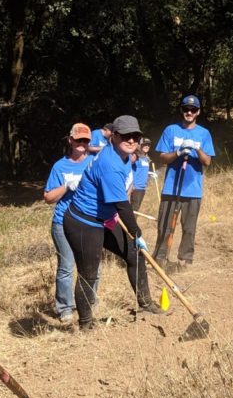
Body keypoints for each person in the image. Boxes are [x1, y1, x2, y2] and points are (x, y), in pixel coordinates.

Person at [63, 115, 163, 330]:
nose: (131, 140)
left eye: (135, 136)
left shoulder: (125, 157)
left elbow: (121, 197)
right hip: (84, 222)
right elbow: (122, 206)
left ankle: (145, 303)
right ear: (114, 136)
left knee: (134, 254)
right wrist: (137, 233)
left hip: (104, 219)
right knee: (89, 272)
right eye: (126, 136)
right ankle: (86, 324)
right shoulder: (110, 164)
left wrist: (134, 237)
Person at [153, 94, 215, 267]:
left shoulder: (204, 133)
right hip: (171, 187)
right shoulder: (170, 130)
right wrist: (178, 152)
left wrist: (197, 148)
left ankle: (185, 259)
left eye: (193, 109)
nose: (189, 112)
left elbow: (207, 162)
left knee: (189, 228)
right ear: (181, 110)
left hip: (193, 188)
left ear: (198, 112)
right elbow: (162, 158)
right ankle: (160, 257)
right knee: (165, 225)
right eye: (186, 109)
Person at [42, 123, 96, 323]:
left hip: (89, 220)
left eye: (86, 140)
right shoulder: (60, 166)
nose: (82, 143)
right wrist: (66, 186)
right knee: (66, 266)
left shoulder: (94, 163)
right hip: (63, 221)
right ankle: (65, 307)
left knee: (92, 266)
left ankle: (89, 301)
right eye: (79, 139)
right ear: (70, 140)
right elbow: (48, 197)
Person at [130, 137, 152, 211]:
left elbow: (145, 172)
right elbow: (128, 169)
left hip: (143, 187)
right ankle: (129, 223)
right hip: (136, 187)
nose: (147, 146)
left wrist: (152, 174)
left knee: (137, 208)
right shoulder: (136, 156)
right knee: (134, 208)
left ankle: (131, 222)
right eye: (144, 144)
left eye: (148, 145)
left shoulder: (147, 158)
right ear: (140, 145)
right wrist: (131, 184)